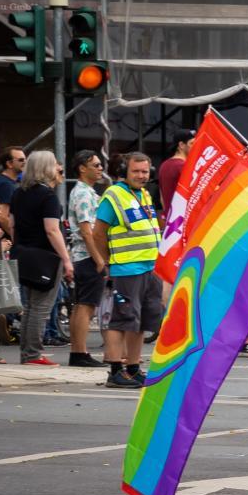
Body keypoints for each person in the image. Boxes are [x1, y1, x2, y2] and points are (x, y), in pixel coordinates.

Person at [88, 152, 163, 389]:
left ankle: (132, 367)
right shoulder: (114, 195)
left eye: (145, 171)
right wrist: (107, 262)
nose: (142, 176)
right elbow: (98, 233)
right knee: (121, 320)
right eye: (136, 171)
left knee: (140, 322)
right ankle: (115, 370)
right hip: (126, 268)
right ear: (124, 171)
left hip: (149, 266)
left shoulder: (144, 194)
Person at [10, 151, 75, 365]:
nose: (59, 168)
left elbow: (12, 225)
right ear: (47, 168)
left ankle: (27, 353)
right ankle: (34, 353)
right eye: (56, 164)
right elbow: (52, 230)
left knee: (30, 305)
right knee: (41, 306)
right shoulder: (48, 196)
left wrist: (21, 245)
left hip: (22, 253)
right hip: (45, 257)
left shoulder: (19, 194)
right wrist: (66, 259)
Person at [65, 150, 106, 367]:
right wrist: (98, 258)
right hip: (87, 256)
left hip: (84, 256)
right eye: (96, 165)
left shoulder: (86, 191)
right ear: (82, 168)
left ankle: (78, 351)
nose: (100, 169)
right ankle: (79, 352)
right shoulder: (83, 194)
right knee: (86, 305)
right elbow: (86, 230)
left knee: (81, 304)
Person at [157, 129, 193, 208]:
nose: (195, 146)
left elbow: (162, 198)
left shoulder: (164, 165)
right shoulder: (184, 166)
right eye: (192, 143)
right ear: (181, 145)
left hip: (170, 217)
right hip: (184, 218)